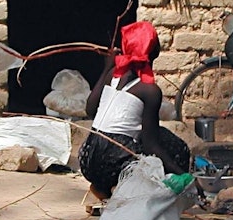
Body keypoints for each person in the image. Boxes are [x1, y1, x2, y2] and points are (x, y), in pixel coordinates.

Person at [79, 21, 190, 200]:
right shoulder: (149, 91)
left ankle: (102, 187)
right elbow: (150, 145)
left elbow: (89, 109)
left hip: (87, 158)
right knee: (174, 146)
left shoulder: (113, 74)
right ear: (154, 53)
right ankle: (140, 191)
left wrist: (107, 67)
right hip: (116, 162)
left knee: (152, 135)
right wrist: (183, 174)